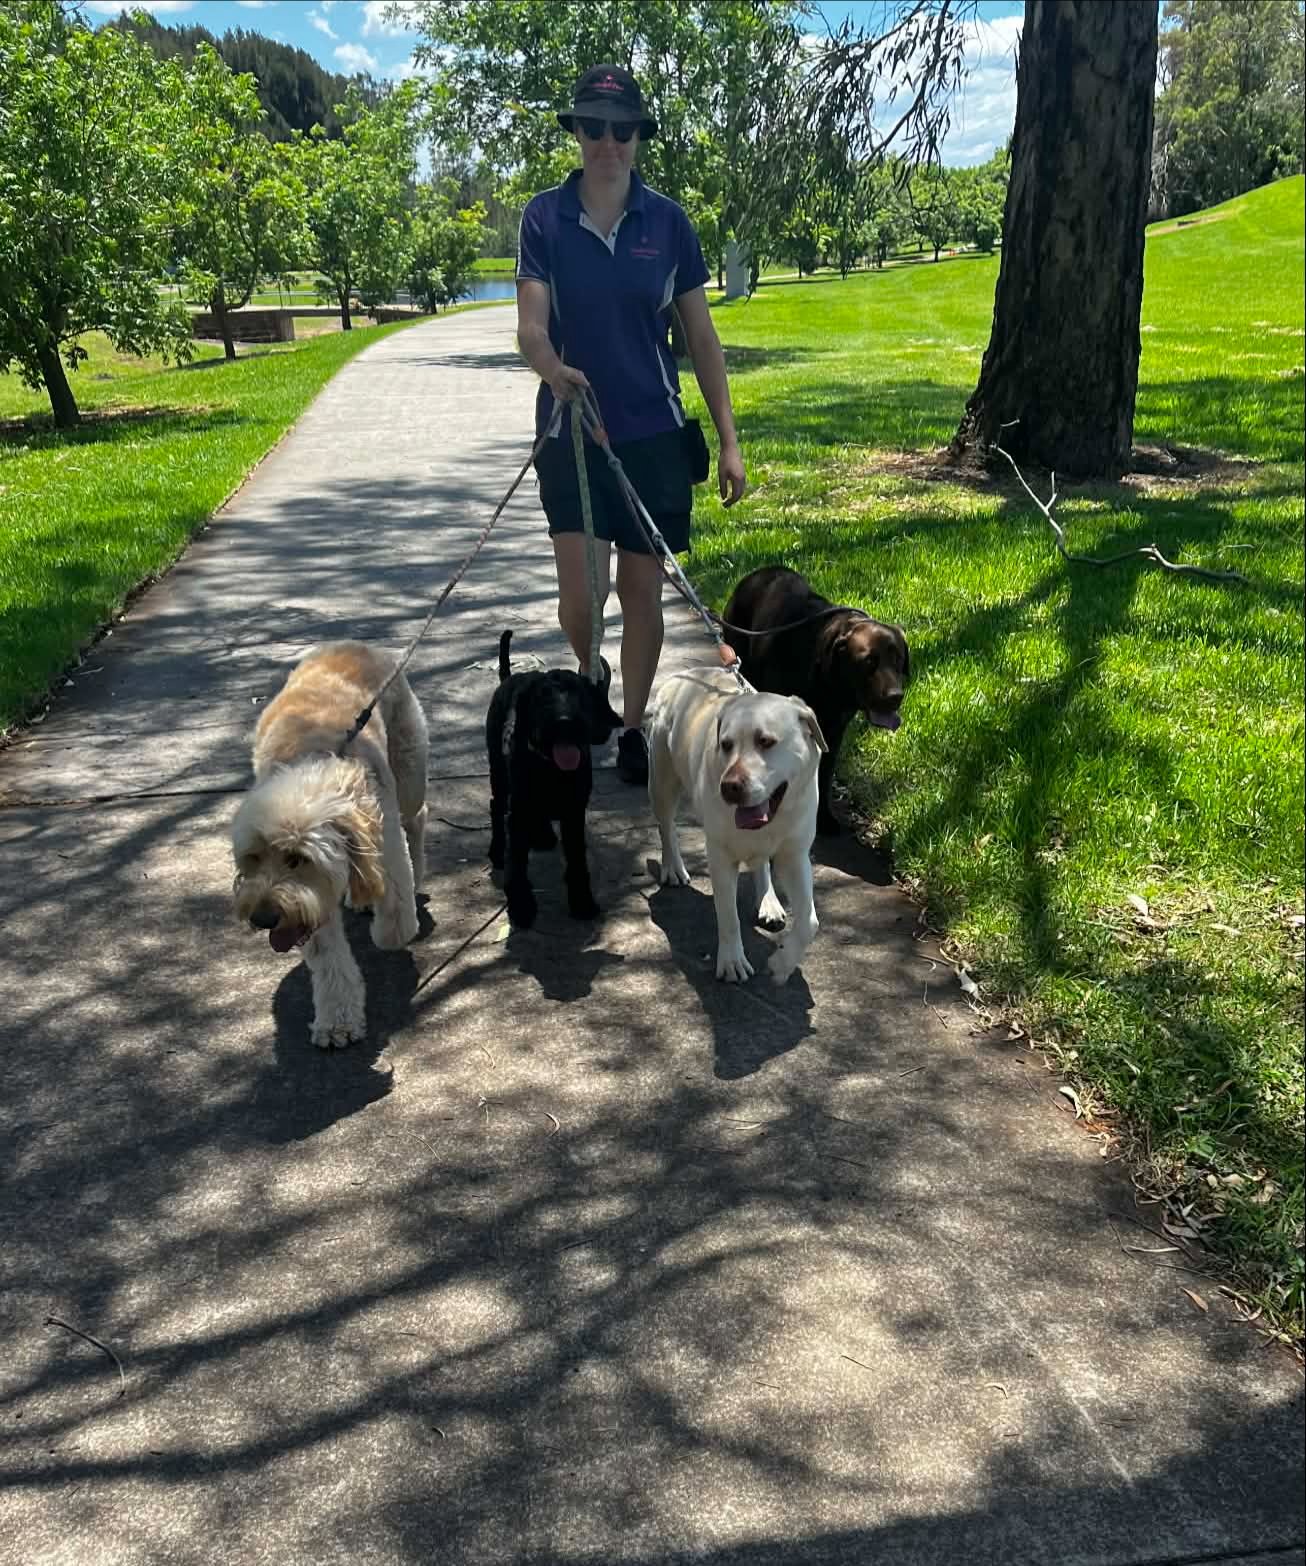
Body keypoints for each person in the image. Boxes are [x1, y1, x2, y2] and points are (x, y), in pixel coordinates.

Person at [515, 64, 747, 785]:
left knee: (642, 592)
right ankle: (595, 678)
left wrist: (729, 440)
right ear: (577, 132)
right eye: (594, 128)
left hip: (653, 437)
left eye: (622, 130)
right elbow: (530, 326)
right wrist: (553, 370)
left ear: (639, 135)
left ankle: (635, 726)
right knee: (582, 599)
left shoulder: (669, 223)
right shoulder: (544, 218)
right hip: (570, 434)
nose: (608, 142)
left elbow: (701, 337)